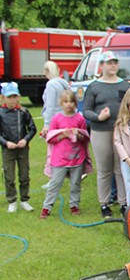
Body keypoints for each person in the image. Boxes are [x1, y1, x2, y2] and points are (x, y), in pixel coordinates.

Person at [82, 50, 130, 217]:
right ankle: (104, 204)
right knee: (104, 169)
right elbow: (86, 111)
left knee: (120, 168)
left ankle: (123, 203)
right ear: (102, 65)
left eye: (115, 62)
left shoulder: (125, 85)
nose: (112, 65)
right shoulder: (94, 86)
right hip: (100, 131)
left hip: (121, 131)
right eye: (109, 62)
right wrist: (99, 117)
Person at [41, 90, 89, 218]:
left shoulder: (79, 118)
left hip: (77, 157)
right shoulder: (57, 118)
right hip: (60, 159)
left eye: (72, 101)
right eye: (66, 102)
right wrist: (63, 135)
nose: (69, 105)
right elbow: (50, 138)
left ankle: (74, 205)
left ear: (75, 103)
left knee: (75, 184)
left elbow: (85, 138)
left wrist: (78, 134)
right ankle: (47, 208)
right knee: (55, 183)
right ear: (61, 103)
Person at [0, 83, 37, 212]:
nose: (12, 100)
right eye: (9, 97)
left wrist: (25, 140)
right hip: (8, 150)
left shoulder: (23, 112)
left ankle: (24, 200)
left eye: (14, 96)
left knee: (24, 175)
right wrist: (6, 143)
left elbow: (32, 129)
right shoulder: (1, 113)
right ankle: (12, 200)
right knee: (9, 176)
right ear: (3, 97)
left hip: (22, 149)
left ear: (19, 97)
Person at [40, 61, 70, 138]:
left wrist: (47, 125)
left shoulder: (51, 84)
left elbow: (50, 106)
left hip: (56, 120)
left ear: (46, 72)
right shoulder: (64, 83)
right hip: (66, 117)